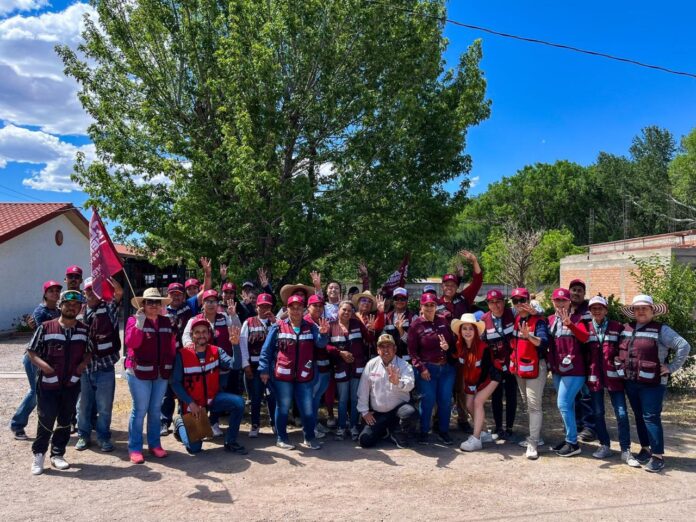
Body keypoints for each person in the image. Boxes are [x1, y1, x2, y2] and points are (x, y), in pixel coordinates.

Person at [619, 294, 691, 473]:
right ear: (633, 311)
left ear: (652, 311)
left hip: (654, 383)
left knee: (651, 416)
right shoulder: (627, 328)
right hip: (631, 380)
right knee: (639, 416)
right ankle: (645, 449)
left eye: (644, 308)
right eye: (637, 308)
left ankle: (657, 456)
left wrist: (671, 367)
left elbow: (684, 346)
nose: (641, 311)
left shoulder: (662, 330)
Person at [28, 290, 92, 475]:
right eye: (68, 304)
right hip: (48, 383)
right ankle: (39, 454)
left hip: (71, 383)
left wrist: (82, 366)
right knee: (46, 419)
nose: (72, 307)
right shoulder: (46, 327)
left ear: (80, 308)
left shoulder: (84, 329)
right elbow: (32, 352)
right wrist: (46, 368)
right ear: (60, 305)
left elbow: (89, 351)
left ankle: (57, 454)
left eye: (76, 305)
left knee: (65, 420)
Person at [258, 294, 331, 450]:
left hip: (305, 376)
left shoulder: (310, 326)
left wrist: (324, 334)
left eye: (299, 308)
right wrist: (263, 369)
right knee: (283, 407)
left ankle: (309, 437)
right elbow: (266, 350)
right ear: (288, 309)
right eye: (293, 308)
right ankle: (281, 438)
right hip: (282, 376)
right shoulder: (278, 326)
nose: (296, 311)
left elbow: (320, 344)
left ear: (303, 310)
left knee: (307, 408)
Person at [170, 317, 247, 454]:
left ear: (209, 334)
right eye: (197, 332)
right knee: (195, 449)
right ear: (192, 335)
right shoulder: (182, 355)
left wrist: (235, 345)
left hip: (212, 399)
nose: (201, 335)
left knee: (238, 402)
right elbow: (175, 383)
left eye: (204, 332)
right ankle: (180, 422)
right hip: (193, 405)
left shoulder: (217, 351)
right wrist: (190, 402)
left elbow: (235, 365)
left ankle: (230, 441)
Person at [585, 295, 640, 467]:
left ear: (606, 310)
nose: (597, 311)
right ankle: (604, 445)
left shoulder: (617, 327)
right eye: (593, 308)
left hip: (614, 377)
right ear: (590, 311)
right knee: (598, 413)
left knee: (621, 413)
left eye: (600, 308)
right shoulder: (586, 328)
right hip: (594, 377)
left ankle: (625, 450)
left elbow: (625, 349)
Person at [124, 288, 177, 464]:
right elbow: (131, 343)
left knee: (155, 410)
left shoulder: (166, 321)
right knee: (140, 410)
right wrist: (139, 323)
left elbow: (171, 346)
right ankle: (135, 448)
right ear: (143, 304)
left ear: (161, 305)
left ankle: (155, 445)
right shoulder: (133, 320)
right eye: (149, 302)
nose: (153, 305)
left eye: (157, 302)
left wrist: (170, 366)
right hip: (138, 372)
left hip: (161, 373)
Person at [183, 289, 243, 435]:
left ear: (218, 303)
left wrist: (233, 315)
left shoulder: (225, 317)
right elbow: (186, 338)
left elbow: (237, 331)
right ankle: (194, 423)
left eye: (214, 301)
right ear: (202, 303)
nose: (211, 304)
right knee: (201, 394)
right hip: (202, 366)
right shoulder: (194, 319)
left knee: (217, 393)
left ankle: (214, 422)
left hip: (222, 365)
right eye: (207, 301)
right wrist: (193, 349)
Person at [75, 276, 123, 453]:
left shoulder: (109, 308)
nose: (91, 293)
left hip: (105, 367)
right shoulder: (77, 311)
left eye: (94, 289)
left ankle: (103, 437)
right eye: (88, 289)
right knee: (83, 406)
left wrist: (108, 278)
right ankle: (83, 435)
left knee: (104, 407)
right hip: (84, 368)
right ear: (84, 292)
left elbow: (119, 293)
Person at [11, 280, 62, 440]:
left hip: (46, 358)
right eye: (51, 291)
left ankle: (47, 425)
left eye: (57, 290)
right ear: (45, 294)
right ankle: (17, 425)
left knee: (45, 392)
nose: (55, 293)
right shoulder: (41, 311)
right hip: (35, 357)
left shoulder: (58, 311)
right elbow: (46, 334)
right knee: (35, 392)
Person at [408, 292, 456, 445]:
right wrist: (421, 368)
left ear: (436, 306)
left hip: (446, 369)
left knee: (445, 401)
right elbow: (412, 352)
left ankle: (443, 431)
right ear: (421, 306)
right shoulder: (416, 325)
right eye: (426, 305)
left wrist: (447, 347)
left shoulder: (443, 321)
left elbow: (453, 344)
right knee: (427, 400)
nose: (429, 308)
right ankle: (424, 431)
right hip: (427, 370)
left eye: (432, 305)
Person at [548, 287, 590, 457]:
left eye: (563, 300)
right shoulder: (550, 319)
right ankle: (568, 438)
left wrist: (570, 324)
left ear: (569, 302)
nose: (560, 303)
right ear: (552, 302)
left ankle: (573, 443)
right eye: (557, 300)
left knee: (563, 404)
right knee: (568, 405)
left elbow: (585, 337)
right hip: (558, 370)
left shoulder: (578, 318)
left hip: (575, 370)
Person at [356, 334, 417, 448]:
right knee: (365, 441)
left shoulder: (404, 365)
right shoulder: (371, 364)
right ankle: (385, 431)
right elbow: (363, 389)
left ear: (395, 349)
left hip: (398, 412)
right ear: (378, 350)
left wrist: (397, 381)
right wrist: (364, 412)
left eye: (388, 346)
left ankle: (397, 433)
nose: (385, 350)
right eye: (382, 347)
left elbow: (410, 385)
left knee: (410, 413)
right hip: (378, 413)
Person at [509, 288, 549, 460]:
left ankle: (533, 443)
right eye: (515, 301)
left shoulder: (538, 321)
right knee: (528, 404)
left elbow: (544, 342)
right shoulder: (517, 318)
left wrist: (529, 336)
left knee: (534, 406)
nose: (519, 304)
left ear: (528, 300)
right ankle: (536, 437)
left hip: (535, 368)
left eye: (522, 300)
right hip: (520, 369)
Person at [454, 313, 501, 452]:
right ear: (460, 331)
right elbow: (454, 358)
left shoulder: (483, 347)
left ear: (475, 331)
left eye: (471, 328)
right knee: (468, 405)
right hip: (473, 379)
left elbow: (486, 371)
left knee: (477, 402)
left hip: (490, 377)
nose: (467, 332)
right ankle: (483, 432)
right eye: (464, 328)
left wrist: (476, 388)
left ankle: (476, 439)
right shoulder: (459, 346)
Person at [327, 300, 372, 441]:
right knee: (342, 400)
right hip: (340, 368)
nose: (347, 312)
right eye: (344, 309)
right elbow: (325, 346)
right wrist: (340, 352)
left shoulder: (357, 324)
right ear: (338, 310)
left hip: (357, 367)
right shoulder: (331, 325)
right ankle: (341, 427)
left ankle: (353, 426)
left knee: (354, 399)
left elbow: (369, 339)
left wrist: (371, 330)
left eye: (350, 310)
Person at [480, 289, 517, 440]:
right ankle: (498, 427)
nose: (496, 305)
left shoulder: (512, 313)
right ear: (488, 304)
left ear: (504, 302)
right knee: (496, 396)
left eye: (499, 301)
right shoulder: (484, 320)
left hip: (512, 363)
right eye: (492, 302)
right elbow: (482, 343)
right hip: (495, 365)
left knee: (511, 395)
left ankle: (509, 427)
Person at [240, 292, 277, 438]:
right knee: (255, 397)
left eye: (267, 306)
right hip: (254, 365)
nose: (264, 309)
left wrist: (274, 323)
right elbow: (243, 344)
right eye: (262, 306)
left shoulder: (275, 322)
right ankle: (255, 424)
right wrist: (245, 364)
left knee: (272, 396)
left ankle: (274, 423)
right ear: (257, 307)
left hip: (271, 366)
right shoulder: (248, 322)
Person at [161, 281, 195, 435]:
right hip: (168, 356)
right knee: (167, 391)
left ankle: (182, 420)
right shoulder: (161, 310)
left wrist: (208, 274)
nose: (176, 297)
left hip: (185, 355)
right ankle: (164, 421)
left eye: (179, 294)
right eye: (173, 294)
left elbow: (204, 292)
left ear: (184, 296)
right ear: (167, 295)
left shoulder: (189, 307)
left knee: (184, 387)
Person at [568, 278, 596, 443]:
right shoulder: (566, 309)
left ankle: (589, 427)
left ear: (584, 293)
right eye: (574, 290)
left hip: (587, 358)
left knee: (586, 394)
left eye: (580, 290)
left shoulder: (589, 310)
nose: (576, 293)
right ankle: (577, 424)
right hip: (571, 359)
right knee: (574, 394)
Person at [304, 294, 331, 440]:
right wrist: (323, 334)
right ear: (308, 307)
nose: (318, 308)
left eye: (321, 306)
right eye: (315, 305)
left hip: (324, 365)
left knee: (317, 397)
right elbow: (320, 344)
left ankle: (314, 423)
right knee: (312, 398)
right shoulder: (306, 322)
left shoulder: (321, 320)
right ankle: (310, 428)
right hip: (311, 367)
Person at [436, 250, 483, 324]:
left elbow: (477, 282)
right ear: (442, 286)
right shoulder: (436, 304)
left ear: (457, 287)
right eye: (447, 285)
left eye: (453, 285)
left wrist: (474, 261)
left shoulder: (464, 297)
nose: (449, 287)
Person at [381, 287, 413, 363]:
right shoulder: (387, 317)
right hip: (390, 360)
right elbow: (383, 339)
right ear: (393, 301)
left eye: (402, 299)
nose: (399, 301)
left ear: (407, 300)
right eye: (396, 299)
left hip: (408, 361)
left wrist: (401, 330)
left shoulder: (413, 317)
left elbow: (413, 342)